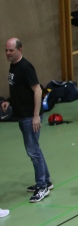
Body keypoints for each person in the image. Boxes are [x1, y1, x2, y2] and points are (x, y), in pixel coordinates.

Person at [3, 38, 52, 203]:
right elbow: (20, 89)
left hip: (30, 116)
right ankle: (46, 181)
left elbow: (37, 90)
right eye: (6, 50)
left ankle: (42, 186)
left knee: (33, 151)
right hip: (22, 114)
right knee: (35, 148)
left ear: (20, 50)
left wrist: (36, 115)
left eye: (11, 50)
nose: (8, 53)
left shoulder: (25, 66)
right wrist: (9, 101)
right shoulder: (14, 65)